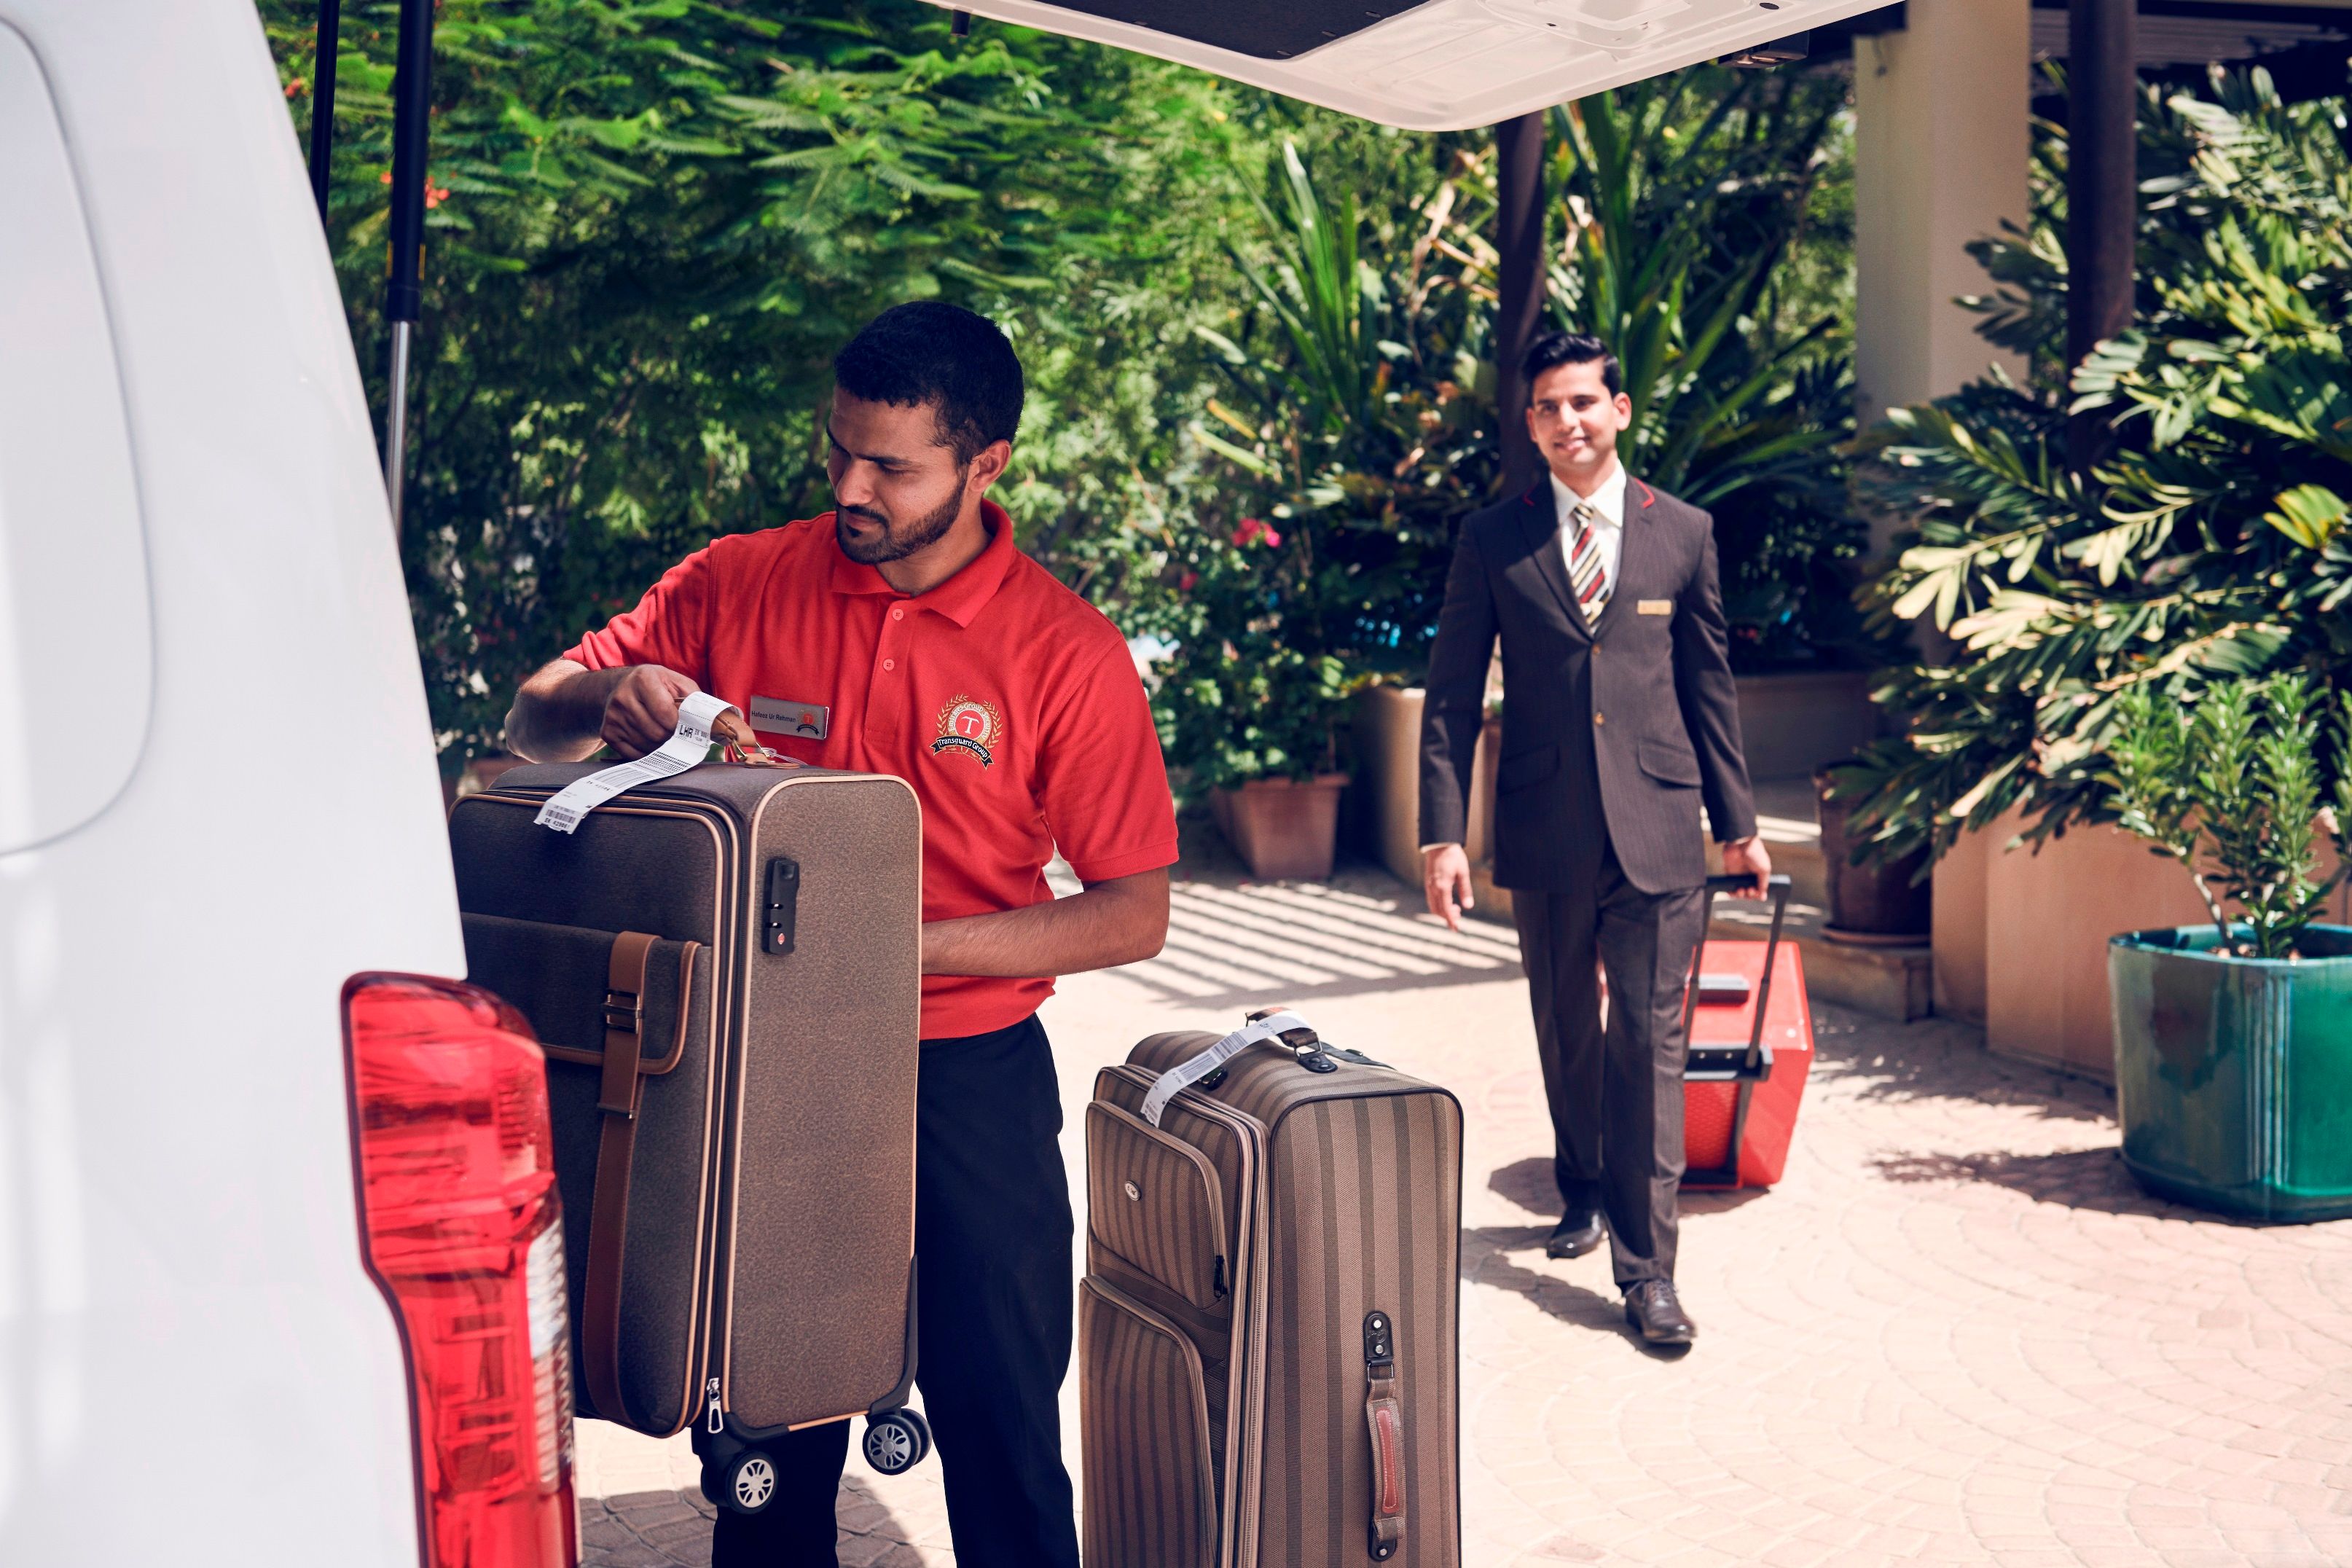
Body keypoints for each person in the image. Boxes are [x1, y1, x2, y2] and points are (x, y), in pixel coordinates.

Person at [506, 302, 1176, 1565]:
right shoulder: (739, 578)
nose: (851, 488)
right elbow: (534, 721)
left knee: (1004, 1434)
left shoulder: (1069, 656)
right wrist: (611, 694)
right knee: (765, 1443)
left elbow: (1133, 912)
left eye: (892, 466)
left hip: (965, 1075)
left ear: (987, 465)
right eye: (838, 452)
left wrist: (893, 949)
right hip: (759, 1077)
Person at [1418, 331, 1768, 1348]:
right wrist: (1445, 835)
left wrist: (1738, 826)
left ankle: (1647, 1270)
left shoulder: (1684, 533)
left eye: (1583, 402)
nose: (1567, 421)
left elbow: (1709, 686)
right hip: (1545, 822)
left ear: (1620, 409)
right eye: (1546, 408)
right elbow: (1449, 697)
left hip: (1661, 826)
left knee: (1648, 1045)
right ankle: (1581, 1186)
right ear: (1529, 424)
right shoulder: (1496, 539)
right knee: (1568, 1028)